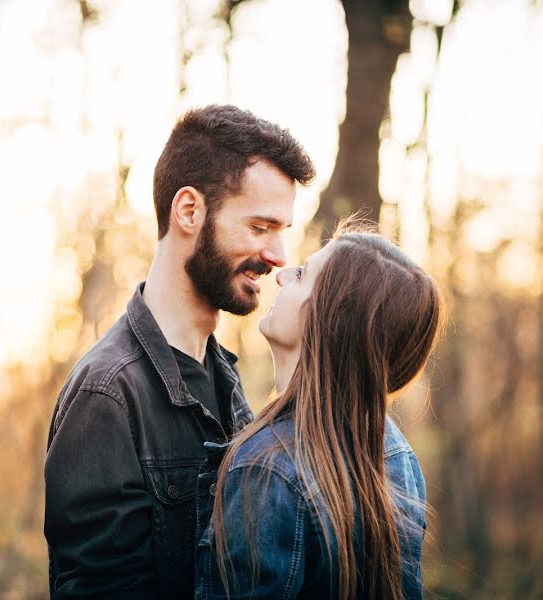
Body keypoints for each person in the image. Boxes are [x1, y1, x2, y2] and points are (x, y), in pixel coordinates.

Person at [44, 104, 315, 599]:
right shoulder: (107, 395)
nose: (279, 257)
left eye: (283, 232)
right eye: (260, 228)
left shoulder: (225, 380)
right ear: (189, 211)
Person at [195, 219, 443, 600]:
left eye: (302, 274)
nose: (280, 277)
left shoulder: (266, 468)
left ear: (324, 318)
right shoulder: (395, 453)